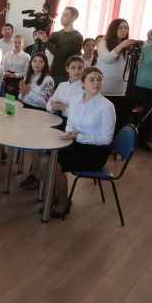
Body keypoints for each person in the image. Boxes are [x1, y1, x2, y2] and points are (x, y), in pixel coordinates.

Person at [37, 67, 116, 219]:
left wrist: (78, 137)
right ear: (83, 83)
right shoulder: (75, 100)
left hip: (95, 151)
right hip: (75, 142)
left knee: (55, 165)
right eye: (92, 80)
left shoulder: (107, 106)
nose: (96, 83)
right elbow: (70, 124)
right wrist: (70, 133)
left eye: (99, 80)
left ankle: (64, 202)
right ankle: (52, 196)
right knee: (43, 160)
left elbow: (107, 139)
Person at [20, 55, 86, 191]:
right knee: (36, 140)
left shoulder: (84, 88)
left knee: (44, 146)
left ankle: (40, 178)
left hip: (73, 127)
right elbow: (49, 104)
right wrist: (56, 107)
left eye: (80, 68)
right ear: (67, 69)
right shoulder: (62, 85)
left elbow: (81, 115)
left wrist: (63, 108)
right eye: (73, 68)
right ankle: (35, 174)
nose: (77, 71)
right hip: (58, 120)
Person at [97, 18, 134, 134]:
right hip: (104, 90)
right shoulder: (103, 43)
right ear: (113, 29)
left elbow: (127, 68)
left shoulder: (127, 48)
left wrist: (135, 63)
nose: (124, 30)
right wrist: (121, 45)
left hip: (120, 90)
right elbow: (107, 59)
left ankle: (113, 142)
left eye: (126, 28)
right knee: (102, 120)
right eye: (120, 28)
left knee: (116, 120)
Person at [36, 7, 83, 84]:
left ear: (73, 18)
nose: (61, 17)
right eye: (62, 14)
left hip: (65, 75)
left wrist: (46, 41)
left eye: (65, 15)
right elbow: (45, 45)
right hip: (53, 72)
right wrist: (39, 34)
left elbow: (60, 55)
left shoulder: (77, 37)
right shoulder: (59, 33)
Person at [133, 26, 152, 152]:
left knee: (149, 116)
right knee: (131, 113)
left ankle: (143, 142)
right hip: (140, 86)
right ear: (151, 36)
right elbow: (135, 65)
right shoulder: (144, 49)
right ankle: (127, 138)